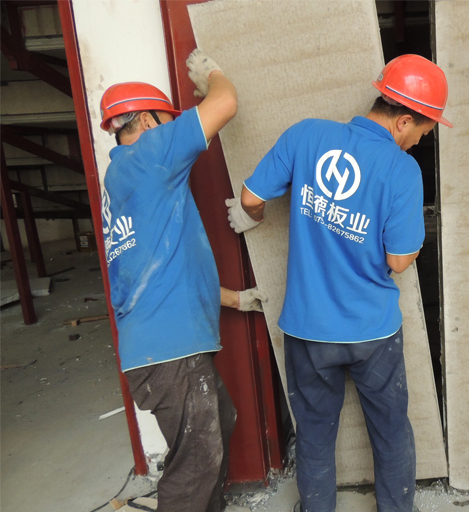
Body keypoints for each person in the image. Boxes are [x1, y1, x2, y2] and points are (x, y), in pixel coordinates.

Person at [227, 54, 451, 512]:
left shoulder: (305, 135)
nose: (418, 143)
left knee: (313, 435)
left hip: (307, 329)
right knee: (391, 433)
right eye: (423, 133)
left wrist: (255, 218)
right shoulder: (401, 170)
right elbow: (399, 261)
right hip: (372, 332)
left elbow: (250, 197)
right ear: (404, 122)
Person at [99, 50, 263, 512]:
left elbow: (167, 271)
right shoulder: (148, 155)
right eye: (167, 122)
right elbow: (225, 103)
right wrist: (213, 74)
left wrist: (238, 300)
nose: (174, 131)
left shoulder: (124, 177)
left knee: (216, 429)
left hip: (159, 350)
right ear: (147, 121)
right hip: (170, 354)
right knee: (195, 465)